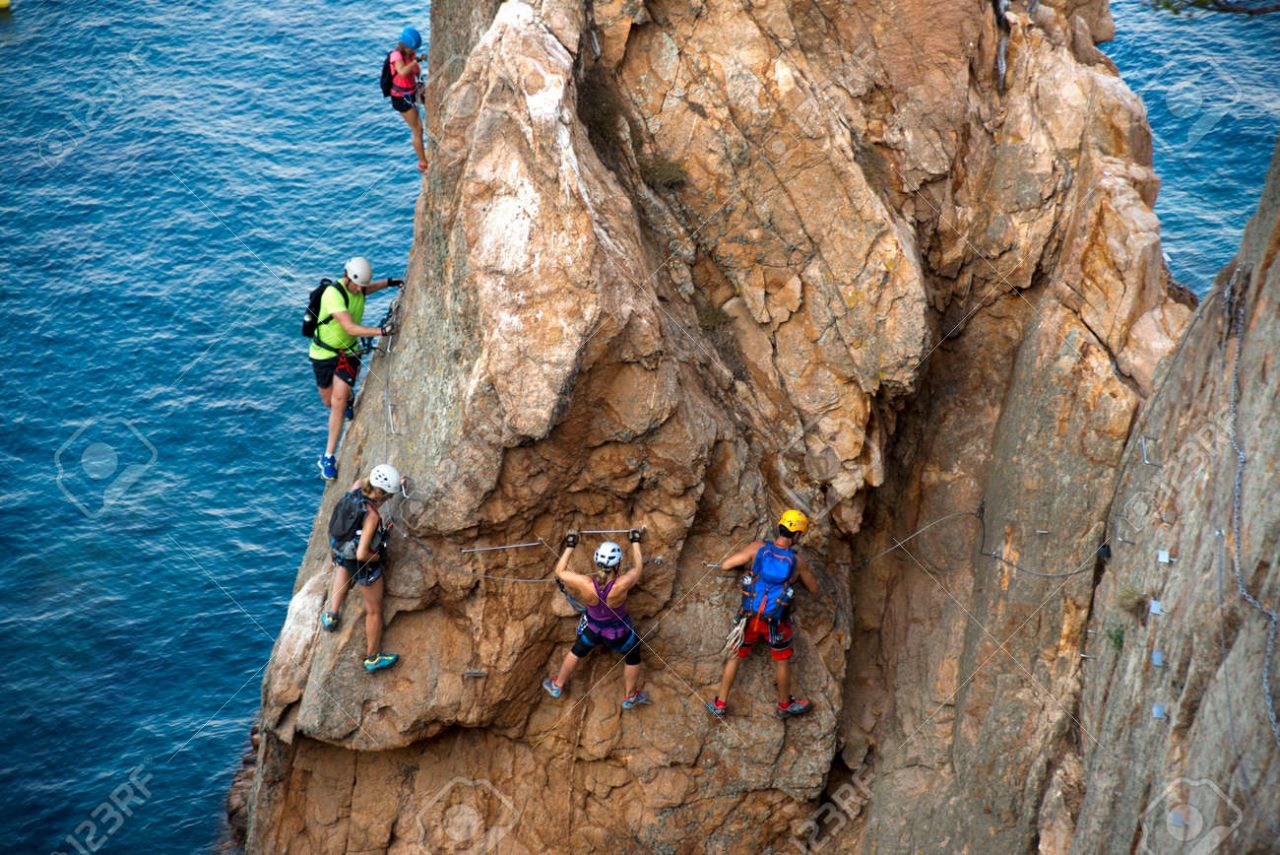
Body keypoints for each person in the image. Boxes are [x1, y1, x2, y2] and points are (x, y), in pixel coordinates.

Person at [707, 510, 819, 719]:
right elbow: (813, 588)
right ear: (797, 535)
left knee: (735, 657)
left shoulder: (758, 549)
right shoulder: (796, 561)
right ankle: (784, 705)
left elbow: (726, 564)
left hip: (749, 617)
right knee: (782, 661)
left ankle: (720, 703)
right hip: (775, 620)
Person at [309, 257, 399, 480]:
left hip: (349, 354)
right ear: (347, 277)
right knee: (328, 401)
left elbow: (369, 288)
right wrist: (381, 332)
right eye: (357, 285)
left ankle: (328, 457)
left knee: (338, 404)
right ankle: (346, 400)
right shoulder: (333, 294)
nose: (360, 290)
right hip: (323, 354)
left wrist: (388, 282)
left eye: (362, 286)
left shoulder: (359, 288)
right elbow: (349, 327)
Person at [542, 529, 651, 710]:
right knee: (633, 656)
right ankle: (630, 696)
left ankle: (557, 685)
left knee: (577, 650)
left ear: (596, 561)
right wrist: (635, 541)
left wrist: (571, 545)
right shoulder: (621, 584)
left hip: (592, 629)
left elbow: (560, 571)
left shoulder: (585, 583)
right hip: (618, 633)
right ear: (618, 564)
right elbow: (638, 568)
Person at [320, 463, 404, 673]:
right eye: (389, 495)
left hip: (340, 548)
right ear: (382, 494)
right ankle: (372, 658)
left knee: (343, 569)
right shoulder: (372, 517)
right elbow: (361, 554)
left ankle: (331, 615)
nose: (390, 499)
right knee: (374, 611)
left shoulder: (357, 486)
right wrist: (379, 556)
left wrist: (396, 484)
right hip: (360, 563)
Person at [388, 27, 428, 172]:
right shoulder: (396, 56)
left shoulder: (410, 53)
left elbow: (414, 72)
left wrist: (418, 66)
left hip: (411, 91)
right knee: (418, 129)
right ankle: (423, 163)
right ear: (406, 46)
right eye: (413, 49)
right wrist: (415, 61)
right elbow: (402, 72)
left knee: (431, 101)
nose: (414, 51)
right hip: (401, 98)